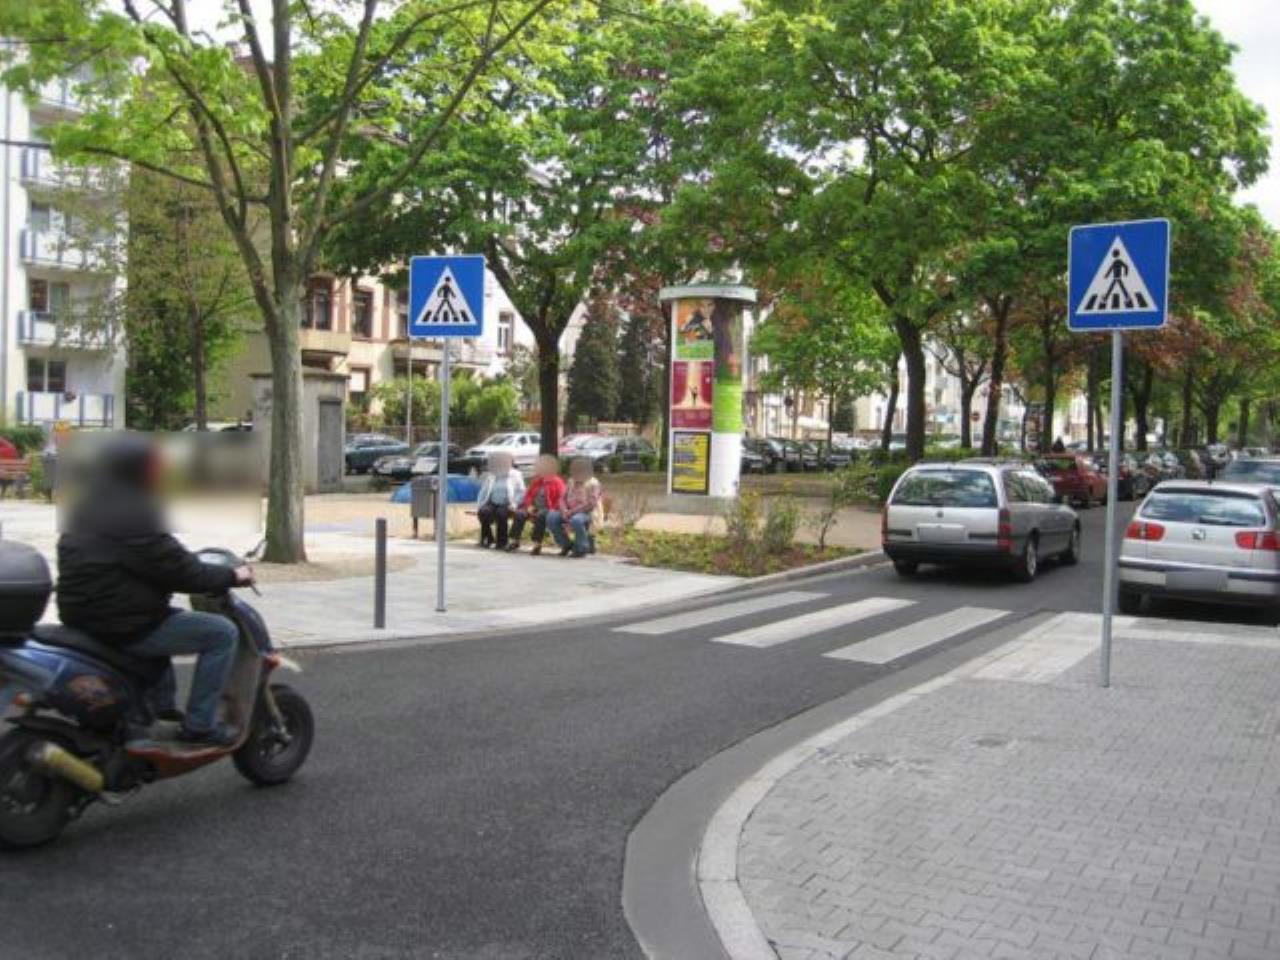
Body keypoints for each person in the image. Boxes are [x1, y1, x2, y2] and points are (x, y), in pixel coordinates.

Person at [56, 434, 254, 747]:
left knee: (166, 618)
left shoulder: (86, 504)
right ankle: (200, 726)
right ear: (140, 469)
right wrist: (232, 575)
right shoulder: (136, 512)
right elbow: (182, 571)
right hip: (120, 623)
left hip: (83, 616)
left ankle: (161, 710)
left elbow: (140, 561)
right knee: (221, 633)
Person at [506, 454, 565, 555]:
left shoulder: (557, 482)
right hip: (534, 507)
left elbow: (561, 499)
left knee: (540, 516)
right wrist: (529, 505)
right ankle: (515, 541)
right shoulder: (537, 481)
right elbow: (528, 495)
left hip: (549, 509)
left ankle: (537, 544)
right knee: (520, 514)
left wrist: (552, 509)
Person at [548, 457, 603, 558]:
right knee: (551, 517)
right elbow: (562, 498)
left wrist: (572, 512)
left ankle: (581, 548)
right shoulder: (571, 481)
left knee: (576, 520)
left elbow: (591, 504)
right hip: (569, 511)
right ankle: (566, 544)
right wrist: (564, 510)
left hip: (587, 513)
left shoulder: (593, 483)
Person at [476, 451, 525, 549]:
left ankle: (502, 542)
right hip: (492, 502)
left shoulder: (516, 475)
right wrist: (480, 504)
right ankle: (488, 538)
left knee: (501, 513)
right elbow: (483, 491)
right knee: (483, 512)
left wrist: (515, 504)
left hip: (508, 503)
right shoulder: (492, 474)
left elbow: (521, 492)